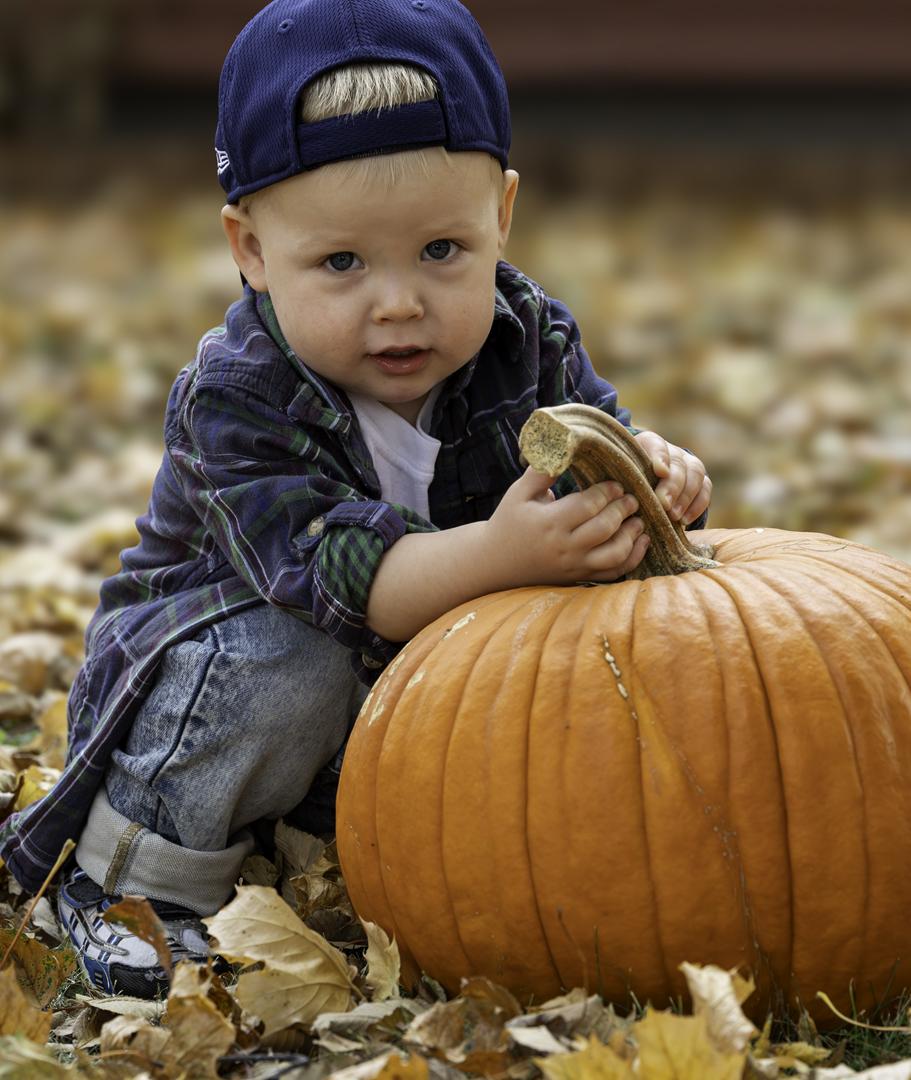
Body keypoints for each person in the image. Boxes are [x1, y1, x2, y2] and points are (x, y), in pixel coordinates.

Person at [0, 0, 711, 997]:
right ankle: (133, 881)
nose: (398, 302)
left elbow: (599, 435)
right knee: (286, 658)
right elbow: (346, 577)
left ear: (500, 216)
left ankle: (312, 831)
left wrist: (654, 473)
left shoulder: (523, 335)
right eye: (340, 262)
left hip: (396, 694)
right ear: (249, 249)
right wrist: (507, 555)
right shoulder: (236, 395)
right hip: (221, 682)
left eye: (440, 252)